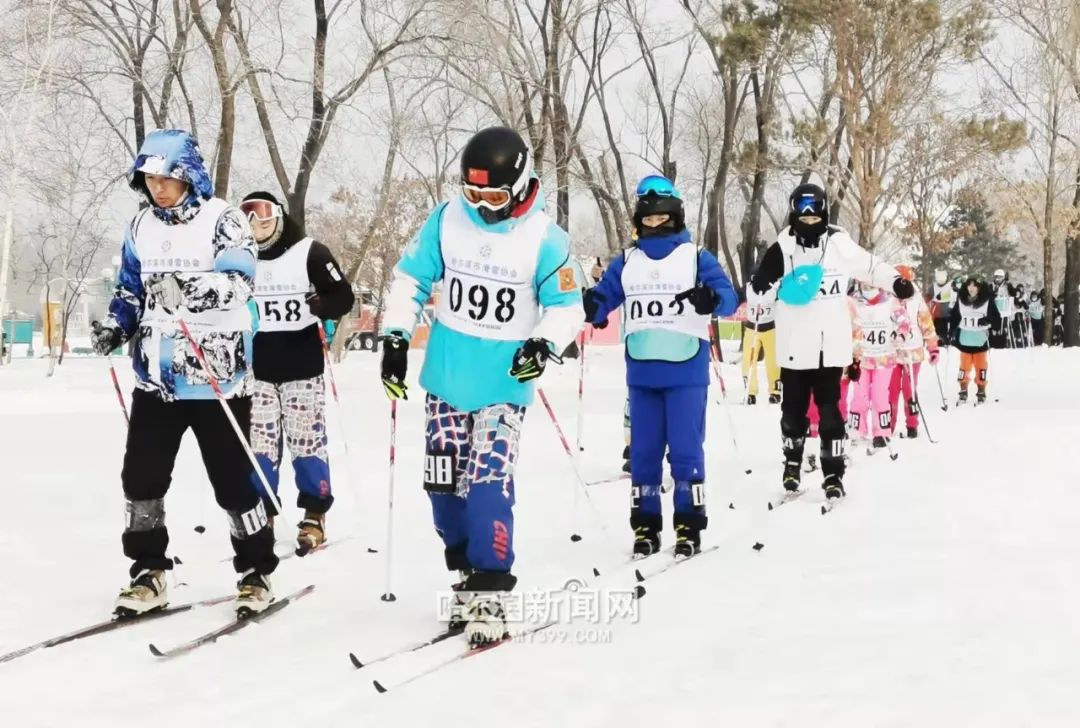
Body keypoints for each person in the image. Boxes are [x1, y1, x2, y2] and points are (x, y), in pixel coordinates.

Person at [378, 126, 583, 647]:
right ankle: (466, 573)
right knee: (444, 487)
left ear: (518, 186)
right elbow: (409, 277)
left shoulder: (546, 239)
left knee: (487, 485)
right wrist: (397, 336)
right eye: (473, 194)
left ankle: (492, 586)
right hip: (447, 377)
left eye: (494, 196)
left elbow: (567, 309)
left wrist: (542, 346)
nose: (483, 206)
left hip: (503, 384)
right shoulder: (446, 220)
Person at [90, 129, 278, 617]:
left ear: (189, 175)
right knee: (141, 479)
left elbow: (238, 283)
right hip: (157, 376)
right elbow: (131, 290)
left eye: (167, 178)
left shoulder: (225, 221)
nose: (158, 188)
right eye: (149, 179)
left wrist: (186, 288)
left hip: (216, 375)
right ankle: (149, 572)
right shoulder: (140, 227)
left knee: (232, 484)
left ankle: (256, 571)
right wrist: (115, 326)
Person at [583, 175, 738, 558]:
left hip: (686, 371)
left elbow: (729, 298)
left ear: (675, 216)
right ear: (639, 220)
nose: (655, 225)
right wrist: (593, 307)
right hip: (643, 373)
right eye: (648, 220)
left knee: (686, 450)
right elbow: (605, 296)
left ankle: (689, 522)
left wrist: (710, 298)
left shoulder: (696, 257)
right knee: (644, 453)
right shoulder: (628, 260)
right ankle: (645, 526)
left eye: (661, 218)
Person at [750, 183, 915, 501]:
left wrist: (895, 282)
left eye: (815, 214)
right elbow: (760, 291)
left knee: (830, 411)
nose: (809, 220)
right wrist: (761, 286)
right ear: (793, 212)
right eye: (802, 214)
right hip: (794, 347)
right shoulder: (783, 247)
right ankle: (792, 463)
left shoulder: (839, 244)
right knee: (792, 412)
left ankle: (833, 472)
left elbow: (870, 267)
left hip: (830, 345)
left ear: (824, 211)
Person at [242, 191, 355, 554]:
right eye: (248, 217)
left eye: (263, 216)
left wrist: (321, 304)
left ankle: (314, 515)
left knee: (306, 442)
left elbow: (343, 295)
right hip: (257, 369)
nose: (257, 225)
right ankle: (263, 514)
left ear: (278, 216)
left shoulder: (309, 252)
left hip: (301, 366)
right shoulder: (239, 257)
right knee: (259, 447)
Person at [848, 282, 905, 453]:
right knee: (859, 396)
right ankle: (857, 430)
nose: (867, 283)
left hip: (883, 358)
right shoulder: (853, 301)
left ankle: (881, 432)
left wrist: (899, 334)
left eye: (870, 280)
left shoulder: (890, 301)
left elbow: (904, 321)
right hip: (861, 357)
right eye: (863, 279)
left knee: (880, 396)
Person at [889, 267, 939, 439]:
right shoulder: (888, 298)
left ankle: (912, 424)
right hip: (893, 351)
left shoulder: (916, 300)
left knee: (909, 389)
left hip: (913, 351)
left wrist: (932, 347)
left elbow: (926, 323)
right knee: (891, 389)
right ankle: (888, 425)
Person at [949, 276, 1001, 405]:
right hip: (965, 340)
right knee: (964, 367)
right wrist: (950, 331)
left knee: (981, 366)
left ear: (979, 288)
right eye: (969, 285)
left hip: (980, 340)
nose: (971, 288)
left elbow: (997, 320)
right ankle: (963, 390)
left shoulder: (987, 301)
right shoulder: (961, 300)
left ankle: (981, 390)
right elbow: (955, 317)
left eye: (974, 286)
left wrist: (987, 321)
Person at [740, 281, 780, 405]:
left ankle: (775, 392)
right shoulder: (748, 287)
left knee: (772, 361)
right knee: (749, 359)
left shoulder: (775, 287)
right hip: (752, 328)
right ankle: (750, 392)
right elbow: (736, 297)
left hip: (770, 329)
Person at [930, 269, 955, 342]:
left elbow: (954, 294)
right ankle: (940, 339)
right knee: (939, 327)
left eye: (942, 278)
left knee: (950, 326)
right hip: (938, 313)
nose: (940, 280)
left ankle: (951, 338)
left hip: (950, 312)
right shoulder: (933, 286)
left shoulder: (951, 285)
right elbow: (928, 296)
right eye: (938, 278)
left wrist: (942, 296)